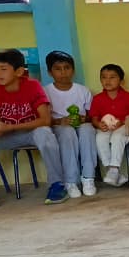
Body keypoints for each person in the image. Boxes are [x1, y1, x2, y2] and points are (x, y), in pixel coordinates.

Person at [0, 48, 68, 206]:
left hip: (31, 133)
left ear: (19, 71)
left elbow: (45, 120)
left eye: (3, 69)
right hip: (6, 135)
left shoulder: (32, 85)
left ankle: (57, 185)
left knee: (44, 133)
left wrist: (9, 127)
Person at [44, 50, 97, 198]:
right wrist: (60, 121)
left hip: (80, 125)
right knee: (67, 132)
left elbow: (92, 116)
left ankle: (88, 178)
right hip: (58, 127)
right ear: (50, 72)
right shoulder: (45, 92)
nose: (63, 72)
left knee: (87, 130)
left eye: (67, 68)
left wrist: (84, 119)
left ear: (73, 70)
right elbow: (43, 119)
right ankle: (70, 181)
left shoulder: (83, 90)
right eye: (58, 69)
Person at [89, 63, 129, 187]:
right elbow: (94, 118)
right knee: (99, 138)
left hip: (124, 126)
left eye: (112, 77)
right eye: (104, 77)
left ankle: (114, 169)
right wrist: (99, 124)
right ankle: (112, 171)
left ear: (121, 81)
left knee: (117, 137)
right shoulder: (97, 99)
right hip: (106, 128)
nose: (107, 80)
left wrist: (122, 122)